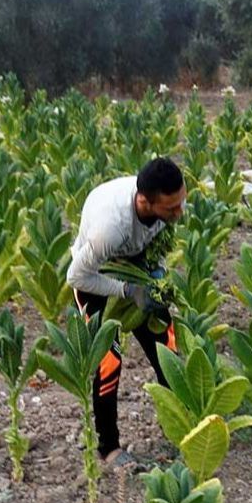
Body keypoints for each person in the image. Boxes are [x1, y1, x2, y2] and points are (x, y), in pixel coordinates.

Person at [66, 156, 186, 469]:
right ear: (145, 201)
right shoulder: (111, 227)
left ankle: (181, 426)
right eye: (172, 208)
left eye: (181, 203)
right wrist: (128, 292)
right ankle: (109, 448)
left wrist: (156, 278)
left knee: (166, 347)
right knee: (109, 360)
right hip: (96, 277)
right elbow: (76, 276)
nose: (180, 213)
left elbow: (155, 246)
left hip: (134, 267)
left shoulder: (164, 201)